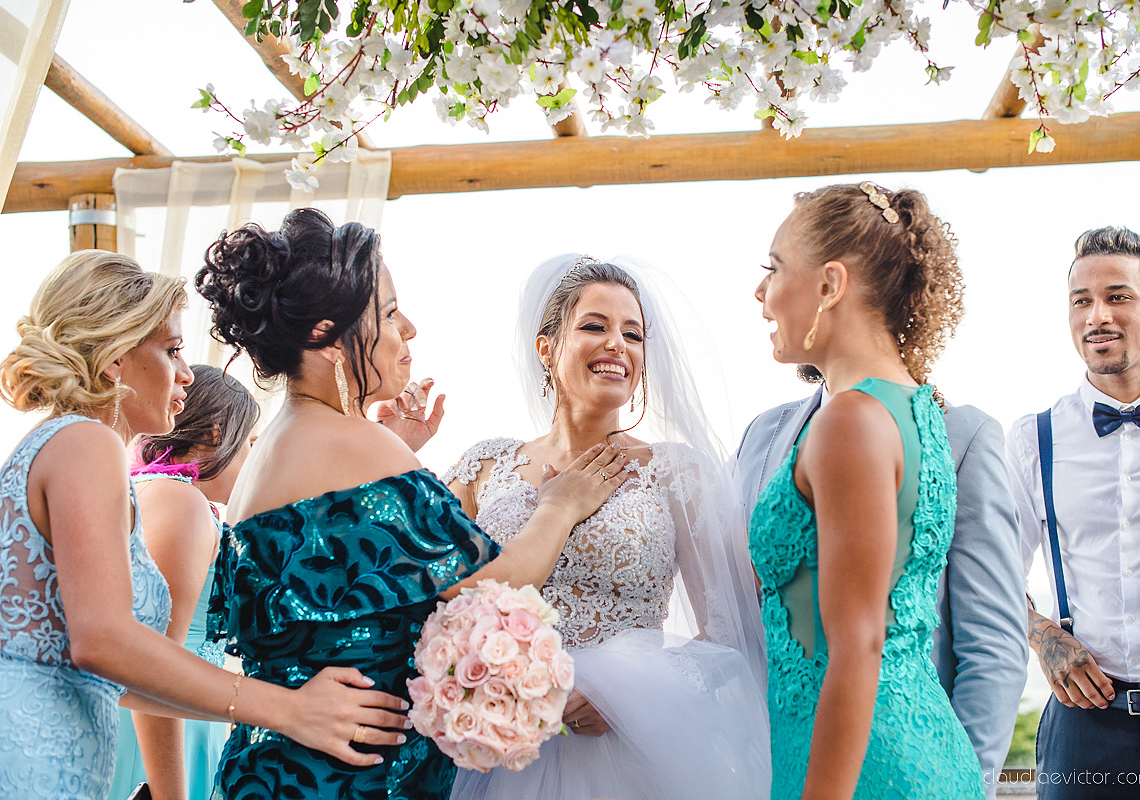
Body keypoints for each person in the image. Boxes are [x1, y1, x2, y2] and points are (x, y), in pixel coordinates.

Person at [195, 209, 631, 800]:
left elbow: (329, 569)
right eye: (390, 312)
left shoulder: (284, 438)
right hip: (346, 777)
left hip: (276, 768)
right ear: (329, 340)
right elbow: (494, 582)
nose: (411, 328)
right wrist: (561, 503)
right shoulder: (354, 441)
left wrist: (394, 447)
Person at [0, 251, 410, 800]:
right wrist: (290, 710)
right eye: (172, 351)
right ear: (116, 358)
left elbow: (117, 677)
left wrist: (275, 705)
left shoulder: (61, 447)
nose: (188, 374)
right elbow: (102, 642)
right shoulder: (85, 442)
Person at [445, 255, 770, 800]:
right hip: (501, 753)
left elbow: (733, 627)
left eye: (634, 334)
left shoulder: (675, 472)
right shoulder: (484, 466)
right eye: (594, 326)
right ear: (546, 349)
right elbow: (436, 601)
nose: (618, 344)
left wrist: (629, 697)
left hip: (628, 755)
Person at [747, 183, 984, 799]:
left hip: (861, 769)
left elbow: (859, 642)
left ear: (829, 286)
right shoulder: (919, 406)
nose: (760, 293)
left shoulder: (850, 420)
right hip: (922, 747)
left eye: (772, 269)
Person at [735, 373, 1027, 798]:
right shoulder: (763, 433)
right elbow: (730, 607)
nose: (763, 302)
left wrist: (968, 787)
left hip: (905, 766)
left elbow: (994, 643)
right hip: (770, 761)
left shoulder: (961, 433)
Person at [1006, 227, 1140, 799]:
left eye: (1119, 297)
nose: (1097, 317)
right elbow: (988, 580)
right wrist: (1041, 636)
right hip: (1085, 727)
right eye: (1081, 301)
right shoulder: (1031, 440)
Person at [107, 365, 262, 800]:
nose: (254, 458)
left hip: (183, 725)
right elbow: (153, 667)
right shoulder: (180, 502)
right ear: (216, 433)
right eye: (250, 442)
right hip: (158, 741)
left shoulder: (155, 492)